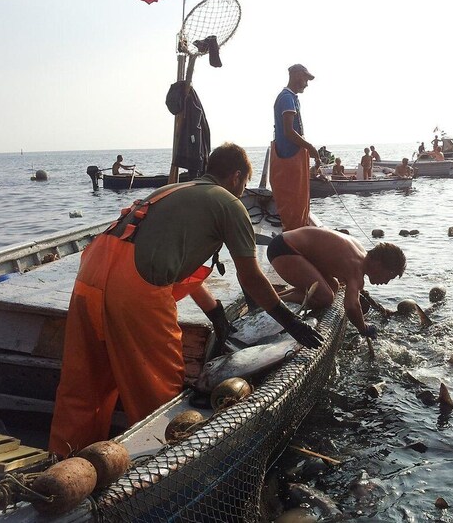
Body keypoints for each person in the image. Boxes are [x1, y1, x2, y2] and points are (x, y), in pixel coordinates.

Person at [49, 144, 323, 458]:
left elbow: (171, 260)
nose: (243, 191)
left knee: (84, 383)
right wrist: (289, 322)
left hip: (89, 276)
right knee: (159, 385)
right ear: (236, 177)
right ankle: (156, 465)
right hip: (137, 289)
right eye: (245, 185)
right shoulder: (228, 203)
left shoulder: (170, 191)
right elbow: (251, 276)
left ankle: (63, 459)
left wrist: (215, 311)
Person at [266, 227, 406, 339]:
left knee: (333, 286)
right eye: (389, 276)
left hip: (284, 243)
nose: (386, 282)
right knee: (325, 297)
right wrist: (364, 328)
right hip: (284, 251)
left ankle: (275, 296)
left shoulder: (360, 252)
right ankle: (267, 302)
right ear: (379, 264)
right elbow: (351, 306)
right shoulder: (356, 269)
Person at [270, 64, 321, 231]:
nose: (306, 83)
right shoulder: (286, 98)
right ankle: (293, 237)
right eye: (305, 78)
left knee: (299, 201)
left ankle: (296, 231)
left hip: (293, 157)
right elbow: (288, 132)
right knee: (293, 201)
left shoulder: (292, 98)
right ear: (296, 75)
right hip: (289, 158)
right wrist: (311, 148)